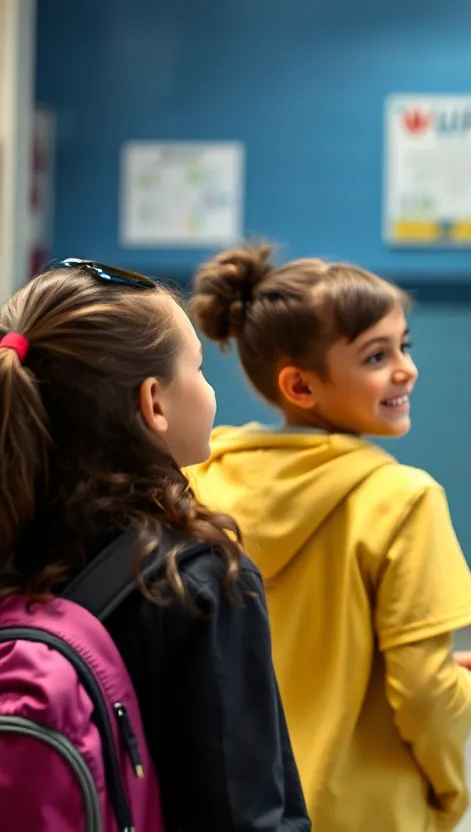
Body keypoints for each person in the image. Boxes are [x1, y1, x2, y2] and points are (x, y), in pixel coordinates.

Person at [185, 244, 471, 832]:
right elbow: (424, 693)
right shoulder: (403, 500)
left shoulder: (197, 482)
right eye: (376, 355)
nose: (405, 369)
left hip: (232, 803)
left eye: (404, 346)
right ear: (301, 386)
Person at [0, 259, 310, 830]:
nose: (209, 386)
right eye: (197, 367)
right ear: (155, 403)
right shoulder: (193, 577)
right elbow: (242, 809)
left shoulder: (14, 541)